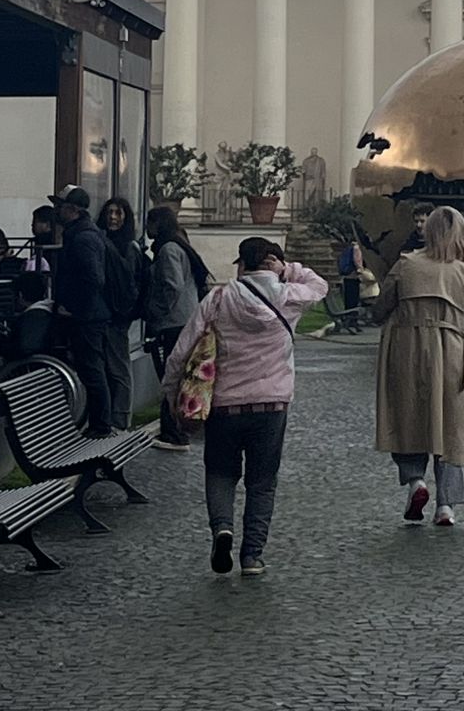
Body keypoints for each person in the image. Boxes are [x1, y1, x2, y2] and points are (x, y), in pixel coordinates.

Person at [163, 236, 327, 576]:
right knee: (262, 481)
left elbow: (182, 351)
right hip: (272, 404)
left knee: (220, 472)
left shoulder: (220, 298)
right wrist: (287, 268)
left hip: (224, 404)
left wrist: (172, 394)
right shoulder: (288, 297)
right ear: (271, 263)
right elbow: (319, 285)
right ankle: (252, 555)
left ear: (242, 263)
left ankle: (222, 528)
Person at [372, 205, 464, 528]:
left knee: (408, 415)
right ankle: (446, 505)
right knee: (451, 426)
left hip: (406, 349)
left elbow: (380, 309)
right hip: (451, 348)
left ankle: (415, 481)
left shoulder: (406, 263)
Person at [48, 185, 113, 436]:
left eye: (60, 206)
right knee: (92, 368)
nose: (56, 210)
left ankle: (100, 425)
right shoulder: (83, 233)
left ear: (72, 210)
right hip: (90, 314)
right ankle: (99, 423)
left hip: (87, 317)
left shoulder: (83, 237)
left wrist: (74, 308)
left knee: (92, 369)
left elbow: (94, 278)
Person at [145, 205, 210, 451]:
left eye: (150, 223)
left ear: (158, 224)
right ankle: (175, 428)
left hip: (174, 321)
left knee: (171, 375)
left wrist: (157, 312)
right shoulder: (180, 244)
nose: (148, 229)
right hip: (185, 319)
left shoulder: (169, 249)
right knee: (178, 375)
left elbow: (172, 285)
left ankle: (173, 431)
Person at [0, 270, 54, 399]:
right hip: (25, 356)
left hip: (12, 358)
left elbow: (23, 347)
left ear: (20, 295)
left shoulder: (33, 316)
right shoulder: (46, 311)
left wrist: (1, 343)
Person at [99, 196, 146, 430]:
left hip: (118, 315)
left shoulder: (129, 247)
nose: (113, 218)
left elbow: (129, 285)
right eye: (109, 212)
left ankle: (121, 417)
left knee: (119, 367)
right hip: (107, 313)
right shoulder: (106, 241)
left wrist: (121, 312)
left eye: (118, 213)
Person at [27, 206, 57, 277]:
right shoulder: (41, 239)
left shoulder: (44, 240)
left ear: (47, 224)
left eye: (36, 222)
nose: (32, 225)